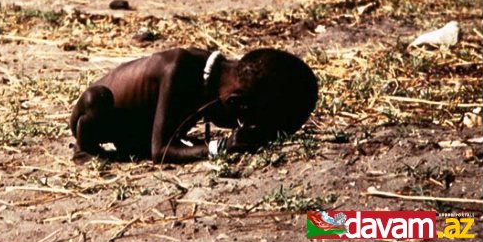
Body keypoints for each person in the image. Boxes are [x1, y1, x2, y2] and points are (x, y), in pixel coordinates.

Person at [70, 47, 318, 164]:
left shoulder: (211, 78)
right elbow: (162, 151)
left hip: (135, 130)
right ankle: (84, 149)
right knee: (96, 99)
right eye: (242, 120)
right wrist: (222, 146)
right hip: (99, 114)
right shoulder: (179, 71)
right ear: (235, 103)